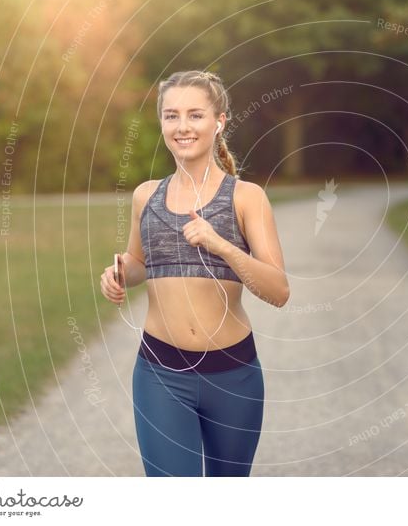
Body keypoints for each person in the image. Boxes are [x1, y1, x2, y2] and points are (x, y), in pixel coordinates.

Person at [99, 70, 290, 477]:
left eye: (195, 115)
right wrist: (118, 272)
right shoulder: (145, 196)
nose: (182, 126)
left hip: (233, 376)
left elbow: (278, 290)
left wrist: (221, 245)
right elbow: (139, 264)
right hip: (159, 373)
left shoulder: (246, 197)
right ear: (162, 124)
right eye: (171, 116)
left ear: (219, 121)